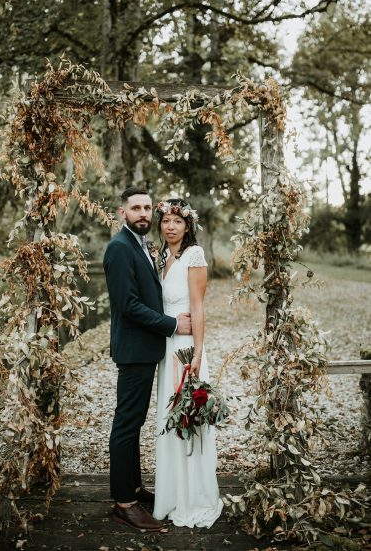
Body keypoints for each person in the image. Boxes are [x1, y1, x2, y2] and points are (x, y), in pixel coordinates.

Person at [103, 187, 192, 532]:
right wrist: (171, 324)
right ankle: (124, 504)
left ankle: (134, 488)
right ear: (122, 212)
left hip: (145, 349)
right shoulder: (120, 248)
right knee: (126, 423)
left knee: (135, 421)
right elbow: (128, 305)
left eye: (145, 208)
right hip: (134, 350)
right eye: (135, 208)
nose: (142, 213)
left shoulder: (140, 245)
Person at [153, 198, 223, 528]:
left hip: (185, 348)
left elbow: (197, 307)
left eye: (177, 222)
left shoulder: (194, 255)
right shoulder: (161, 256)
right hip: (167, 345)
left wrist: (197, 354)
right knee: (170, 415)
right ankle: (171, 493)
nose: (170, 226)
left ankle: (193, 495)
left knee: (188, 417)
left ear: (187, 225)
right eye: (166, 220)